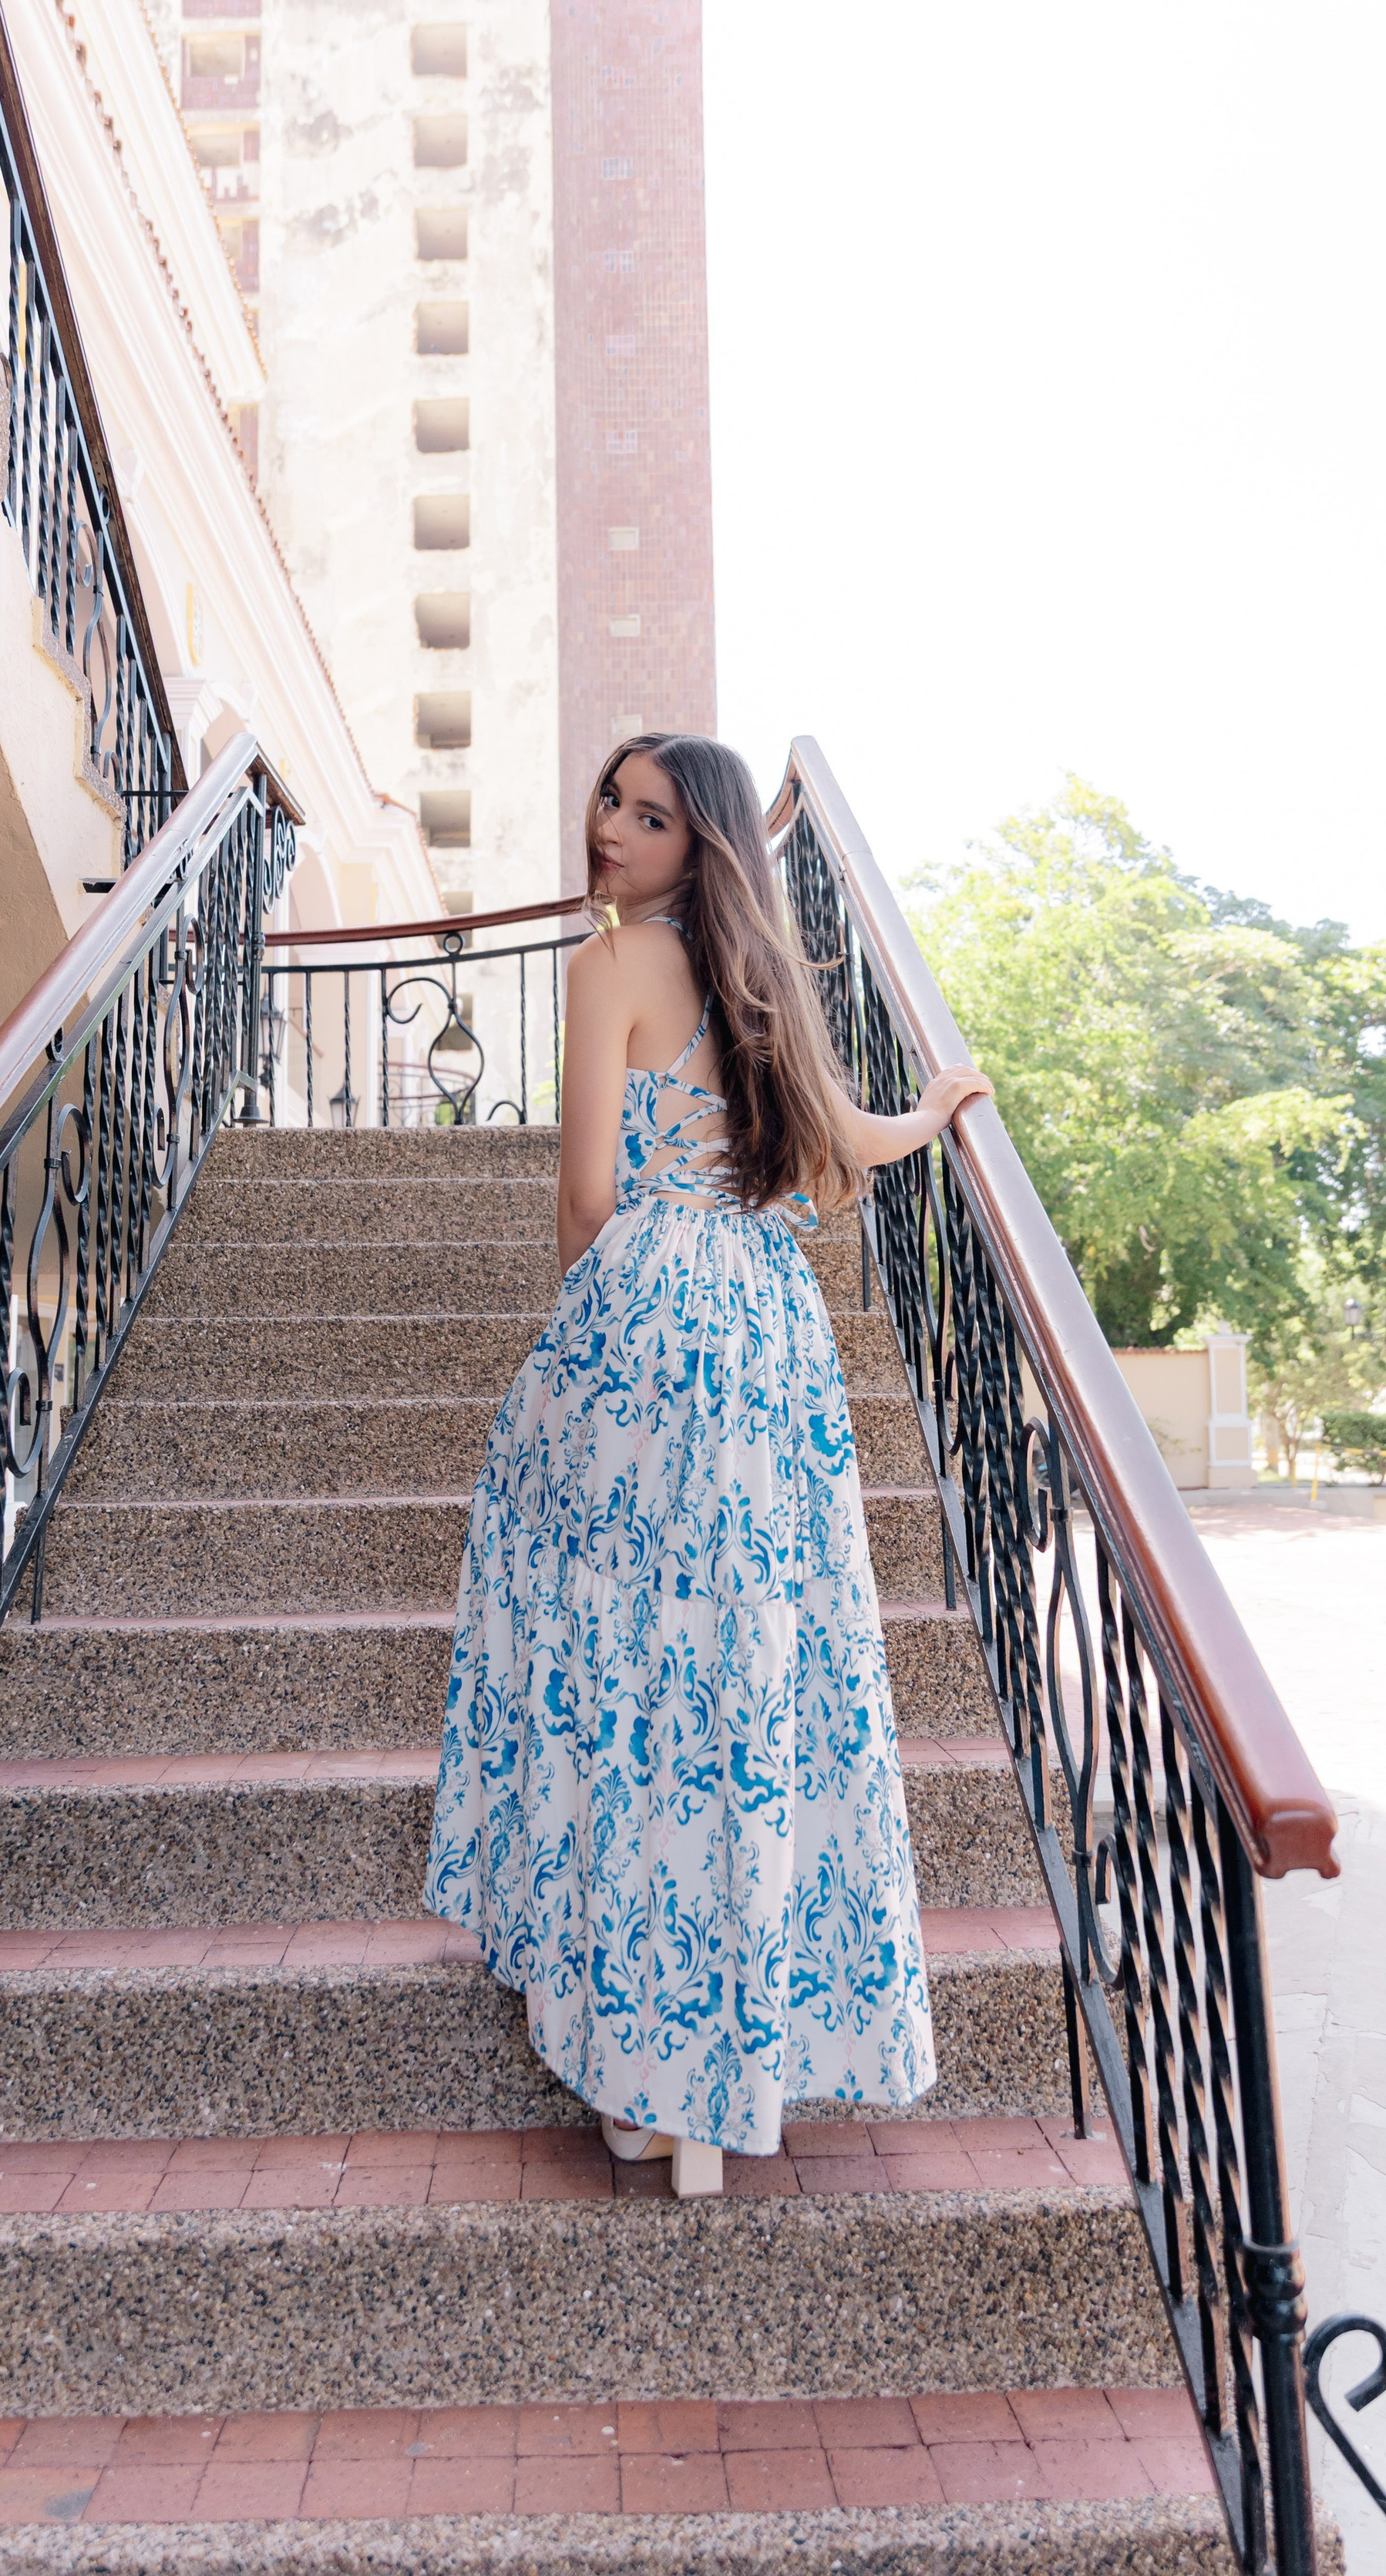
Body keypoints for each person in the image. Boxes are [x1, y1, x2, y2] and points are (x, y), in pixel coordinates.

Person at [422, 733, 992, 2196]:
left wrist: (575, 1359)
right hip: (767, 1340)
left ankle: (640, 2071)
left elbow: (588, 1195)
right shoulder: (765, 985)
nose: (610, 827)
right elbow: (844, 1141)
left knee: (624, 1674)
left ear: (702, 842)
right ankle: (722, 2070)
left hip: (647, 1322)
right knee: (749, 1682)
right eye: (611, 801)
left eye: (648, 814)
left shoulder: (609, 965)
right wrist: (933, 1115)